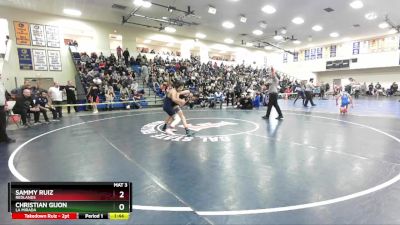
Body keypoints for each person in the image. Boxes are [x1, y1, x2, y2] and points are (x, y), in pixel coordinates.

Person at [0, 74, 15, 143]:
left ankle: (3, 138)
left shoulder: (1, 84)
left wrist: (5, 104)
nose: (0, 76)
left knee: (3, 123)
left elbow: (3, 95)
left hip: (1, 107)